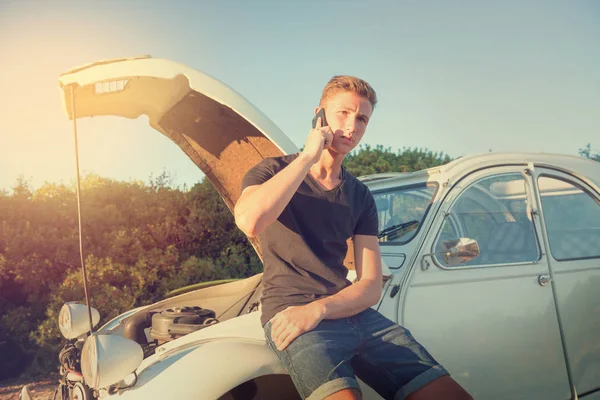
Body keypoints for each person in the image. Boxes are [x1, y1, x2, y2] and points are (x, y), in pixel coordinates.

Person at [234, 76, 472, 400]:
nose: (352, 126)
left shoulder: (360, 196)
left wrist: (320, 308)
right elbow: (250, 221)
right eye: (343, 113)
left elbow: (371, 285)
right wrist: (307, 157)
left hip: (349, 314)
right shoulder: (272, 171)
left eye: (362, 118)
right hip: (293, 316)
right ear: (319, 115)